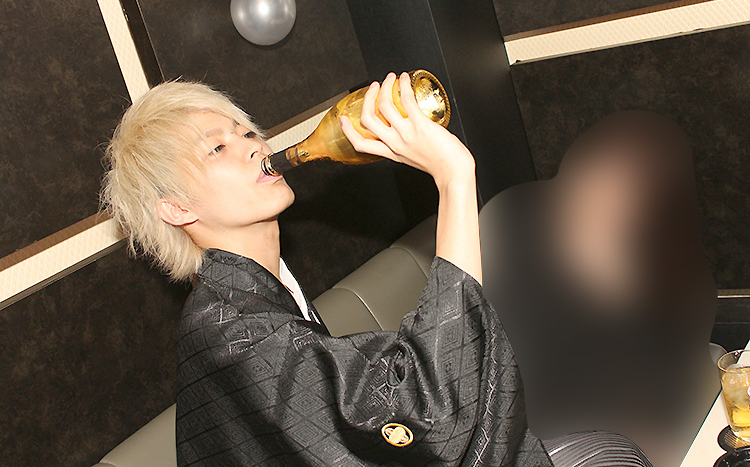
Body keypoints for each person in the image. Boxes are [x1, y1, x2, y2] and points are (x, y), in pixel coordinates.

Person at [102, 73, 553, 466]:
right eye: (217, 148)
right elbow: (424, 410)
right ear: (177, 208)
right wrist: (454, 178)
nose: (253, 147)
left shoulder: (260, 290)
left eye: (247, 133)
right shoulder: (233, 334)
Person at [480, 111, 717, 466]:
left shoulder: (660, 247)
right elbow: (515, 385)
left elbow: (682, 345)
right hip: (566, 435)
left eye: (633, 186)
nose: (608, 200)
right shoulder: (511, 229)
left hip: (654, 411)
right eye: (597, 182)